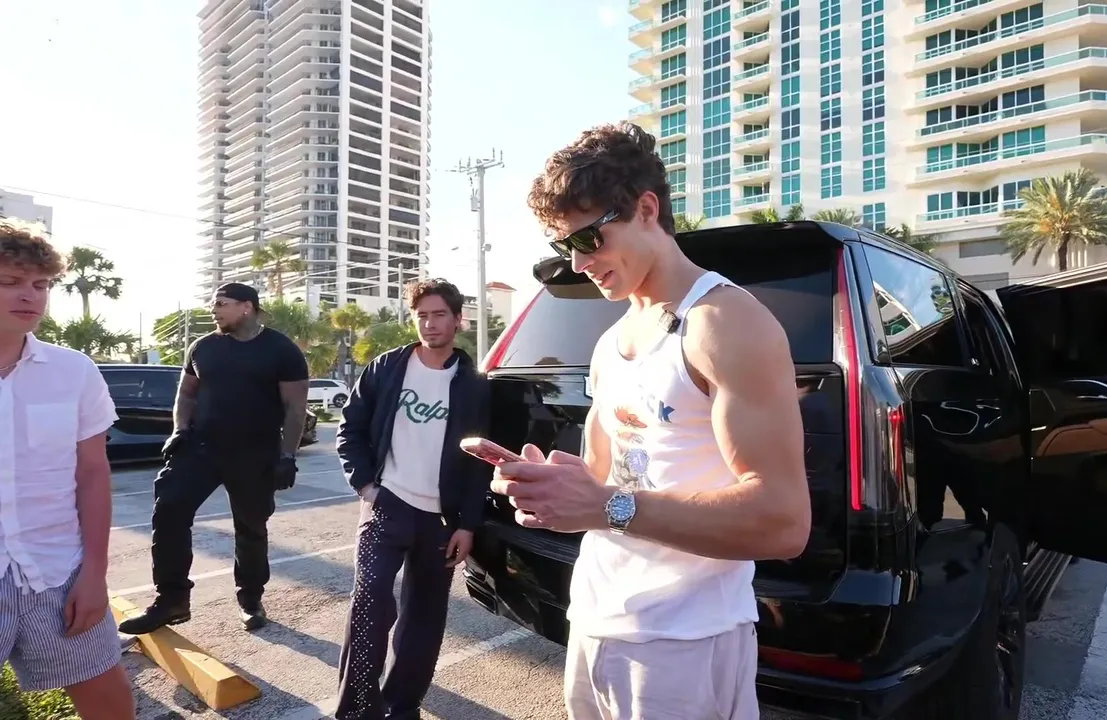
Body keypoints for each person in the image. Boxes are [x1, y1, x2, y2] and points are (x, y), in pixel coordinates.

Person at [490, 122, 812, 719]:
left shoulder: (724, 323)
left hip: (686, 639)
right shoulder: (611, 341)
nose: (579, 262)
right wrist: (549, 486)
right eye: (565, 247)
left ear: (645, 209)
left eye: (588, 237)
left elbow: (783, 522)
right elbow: (604, 480)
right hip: (595, 616)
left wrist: (608, 506)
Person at [333, 278, 491, 720]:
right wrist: (366, 486)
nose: (429, 323)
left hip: (441, 520)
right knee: (369, 603)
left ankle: (402, 708)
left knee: (424, 619)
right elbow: (350, 429)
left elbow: (479, 461)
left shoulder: (473, 384)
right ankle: (357, 711)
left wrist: (467, 524)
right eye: (422, 315)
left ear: (458, 320)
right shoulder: (387, 367)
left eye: (439, 314)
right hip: (387, 506)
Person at [118, 282, 309, 635]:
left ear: (247, 306)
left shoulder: (282, 350)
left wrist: (287, 455)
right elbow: (186, 394)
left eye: (221, 303)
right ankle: (172, 600)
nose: (213, 309)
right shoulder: (202, 346)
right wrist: (179, 430)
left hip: (255, 452)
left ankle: (250, 599)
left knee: (251, 527)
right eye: (212, 303)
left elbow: (295, 407)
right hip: (201, 448)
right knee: (170, 509)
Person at [0, 220, 135, 719]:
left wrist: (95, 574)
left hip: (58, 571)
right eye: (10, 281)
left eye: (40, 285)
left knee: (110, 704)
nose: (29, 295)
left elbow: (93, 474)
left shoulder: (74, 371)